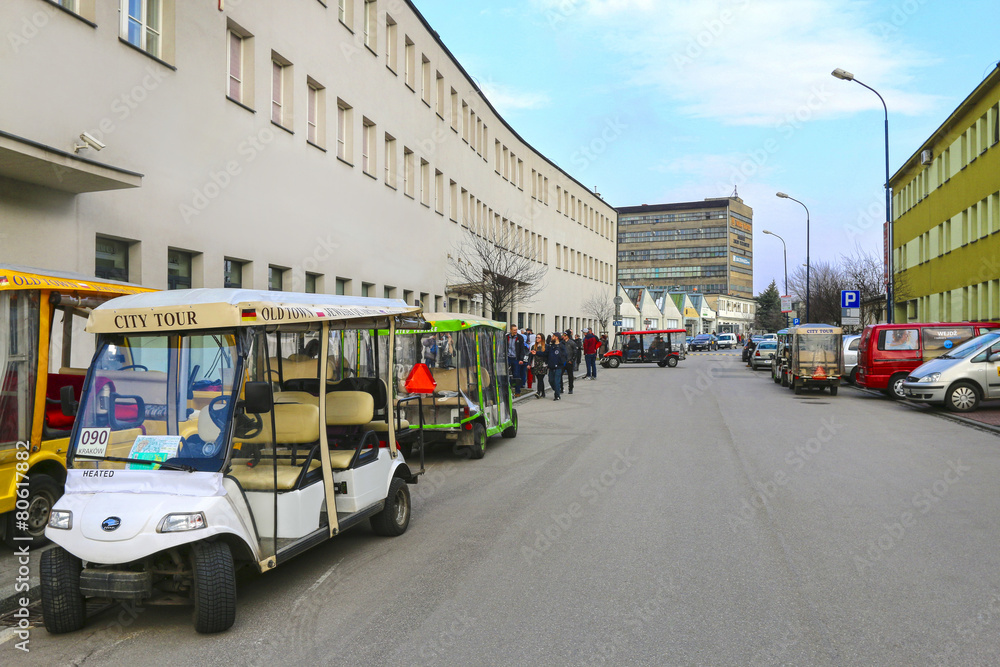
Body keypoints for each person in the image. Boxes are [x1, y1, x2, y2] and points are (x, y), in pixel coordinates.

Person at [507, 324, 528, 396]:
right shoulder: (507, 337)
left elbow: (522, 349)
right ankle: (507, 390)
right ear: (511, 330)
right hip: (508, 357)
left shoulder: (520, 338)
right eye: (514, 330)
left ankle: (517, 391)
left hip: (516, 358)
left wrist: (521, 359)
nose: (516, 331)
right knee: (506, 374)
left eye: (516, 330)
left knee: (516, 374)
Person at [545, 333, 566, 400]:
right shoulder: (551, 346)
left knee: (556, 381)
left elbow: (565, 356)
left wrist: (561, 363)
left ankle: (557, 395)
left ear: (556, 337)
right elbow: (546, 354)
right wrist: (536, 353)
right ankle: (557, 390)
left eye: (553, 336)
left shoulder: (561, 346)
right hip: (551, 367)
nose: (552, 337)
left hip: (558, 367)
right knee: (551, 381)